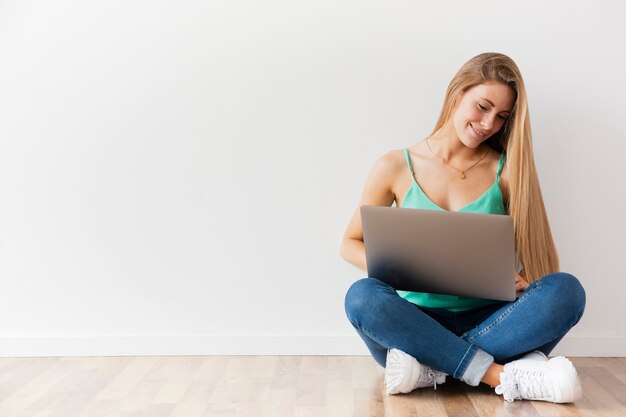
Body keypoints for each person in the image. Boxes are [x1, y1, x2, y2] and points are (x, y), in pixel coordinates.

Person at [340, 52, 586, 403]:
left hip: (490, 321)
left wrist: (523, 280)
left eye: (501, 117)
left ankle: (431, 368)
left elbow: (536, 256)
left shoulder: (506, 172)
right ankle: (497, 374)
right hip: (413, 322)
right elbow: (350, 242)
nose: (488, 124)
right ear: (458, 92)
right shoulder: (395, 166)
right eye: (482, 107)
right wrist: (400, 268)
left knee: (567, 291)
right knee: (361, 298)